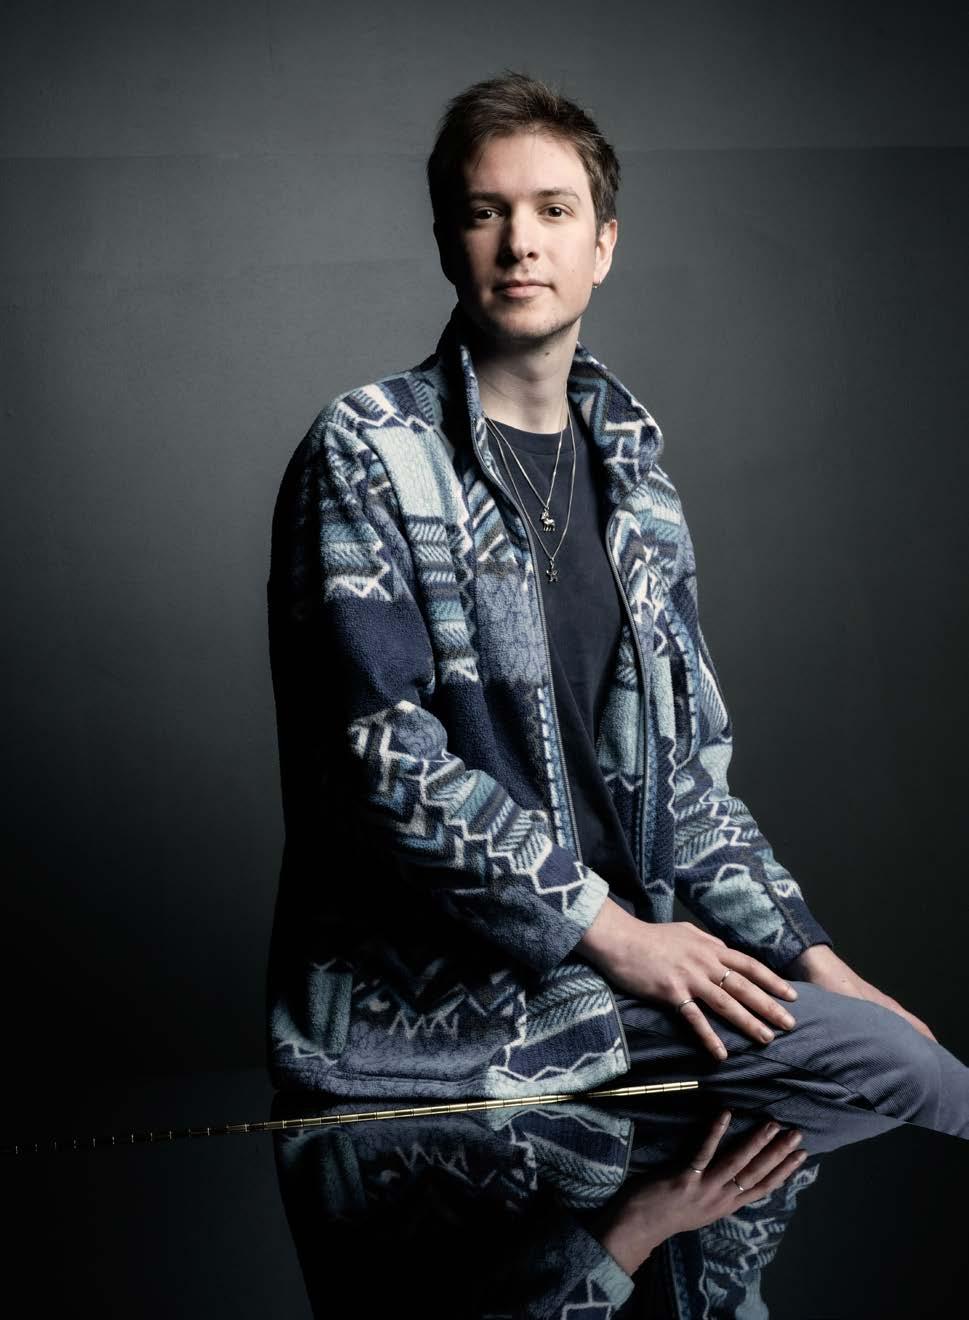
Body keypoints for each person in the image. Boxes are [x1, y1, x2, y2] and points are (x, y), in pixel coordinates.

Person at [266, 70, 969, 1138]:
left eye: (553, 211)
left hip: (629, 972)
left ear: (602, 246)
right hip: (448, 1010)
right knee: (901, 1074)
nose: (520, 243)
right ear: (448, 241)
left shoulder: (637, 482)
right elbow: (383, 761)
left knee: (905, 1058)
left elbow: (682, 780)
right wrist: (616, 934)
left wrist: (816, 959)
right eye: (486, 212)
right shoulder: (369, 451)